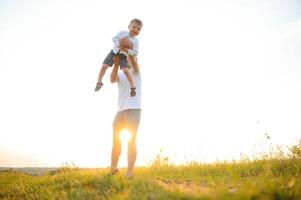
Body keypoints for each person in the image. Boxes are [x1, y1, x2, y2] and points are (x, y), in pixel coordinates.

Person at [109, 51, 141, 178]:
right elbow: (112, 80)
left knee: (131, 141)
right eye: (126, 58)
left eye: (132, 58)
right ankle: (113, 169)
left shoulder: (136, 72)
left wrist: (130, 53)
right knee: (116, 141)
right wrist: (116, 64)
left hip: (134, 110)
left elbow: (134, 62)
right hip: (120, 111)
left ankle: (129, 173)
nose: (130, 60)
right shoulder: (122, 73)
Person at [95, 18, 143, 97]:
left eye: (138, 29)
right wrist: (120, 45)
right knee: (104, 66)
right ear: (129, 27)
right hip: (114, 52)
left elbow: (135, 53)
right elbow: (114, 39)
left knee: (125, 70)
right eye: (134, 27)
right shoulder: (122, 33)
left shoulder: (135, 41)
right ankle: (99, 82)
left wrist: (127, 50)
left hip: (123, 55)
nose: (136, 30)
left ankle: (133, 87)